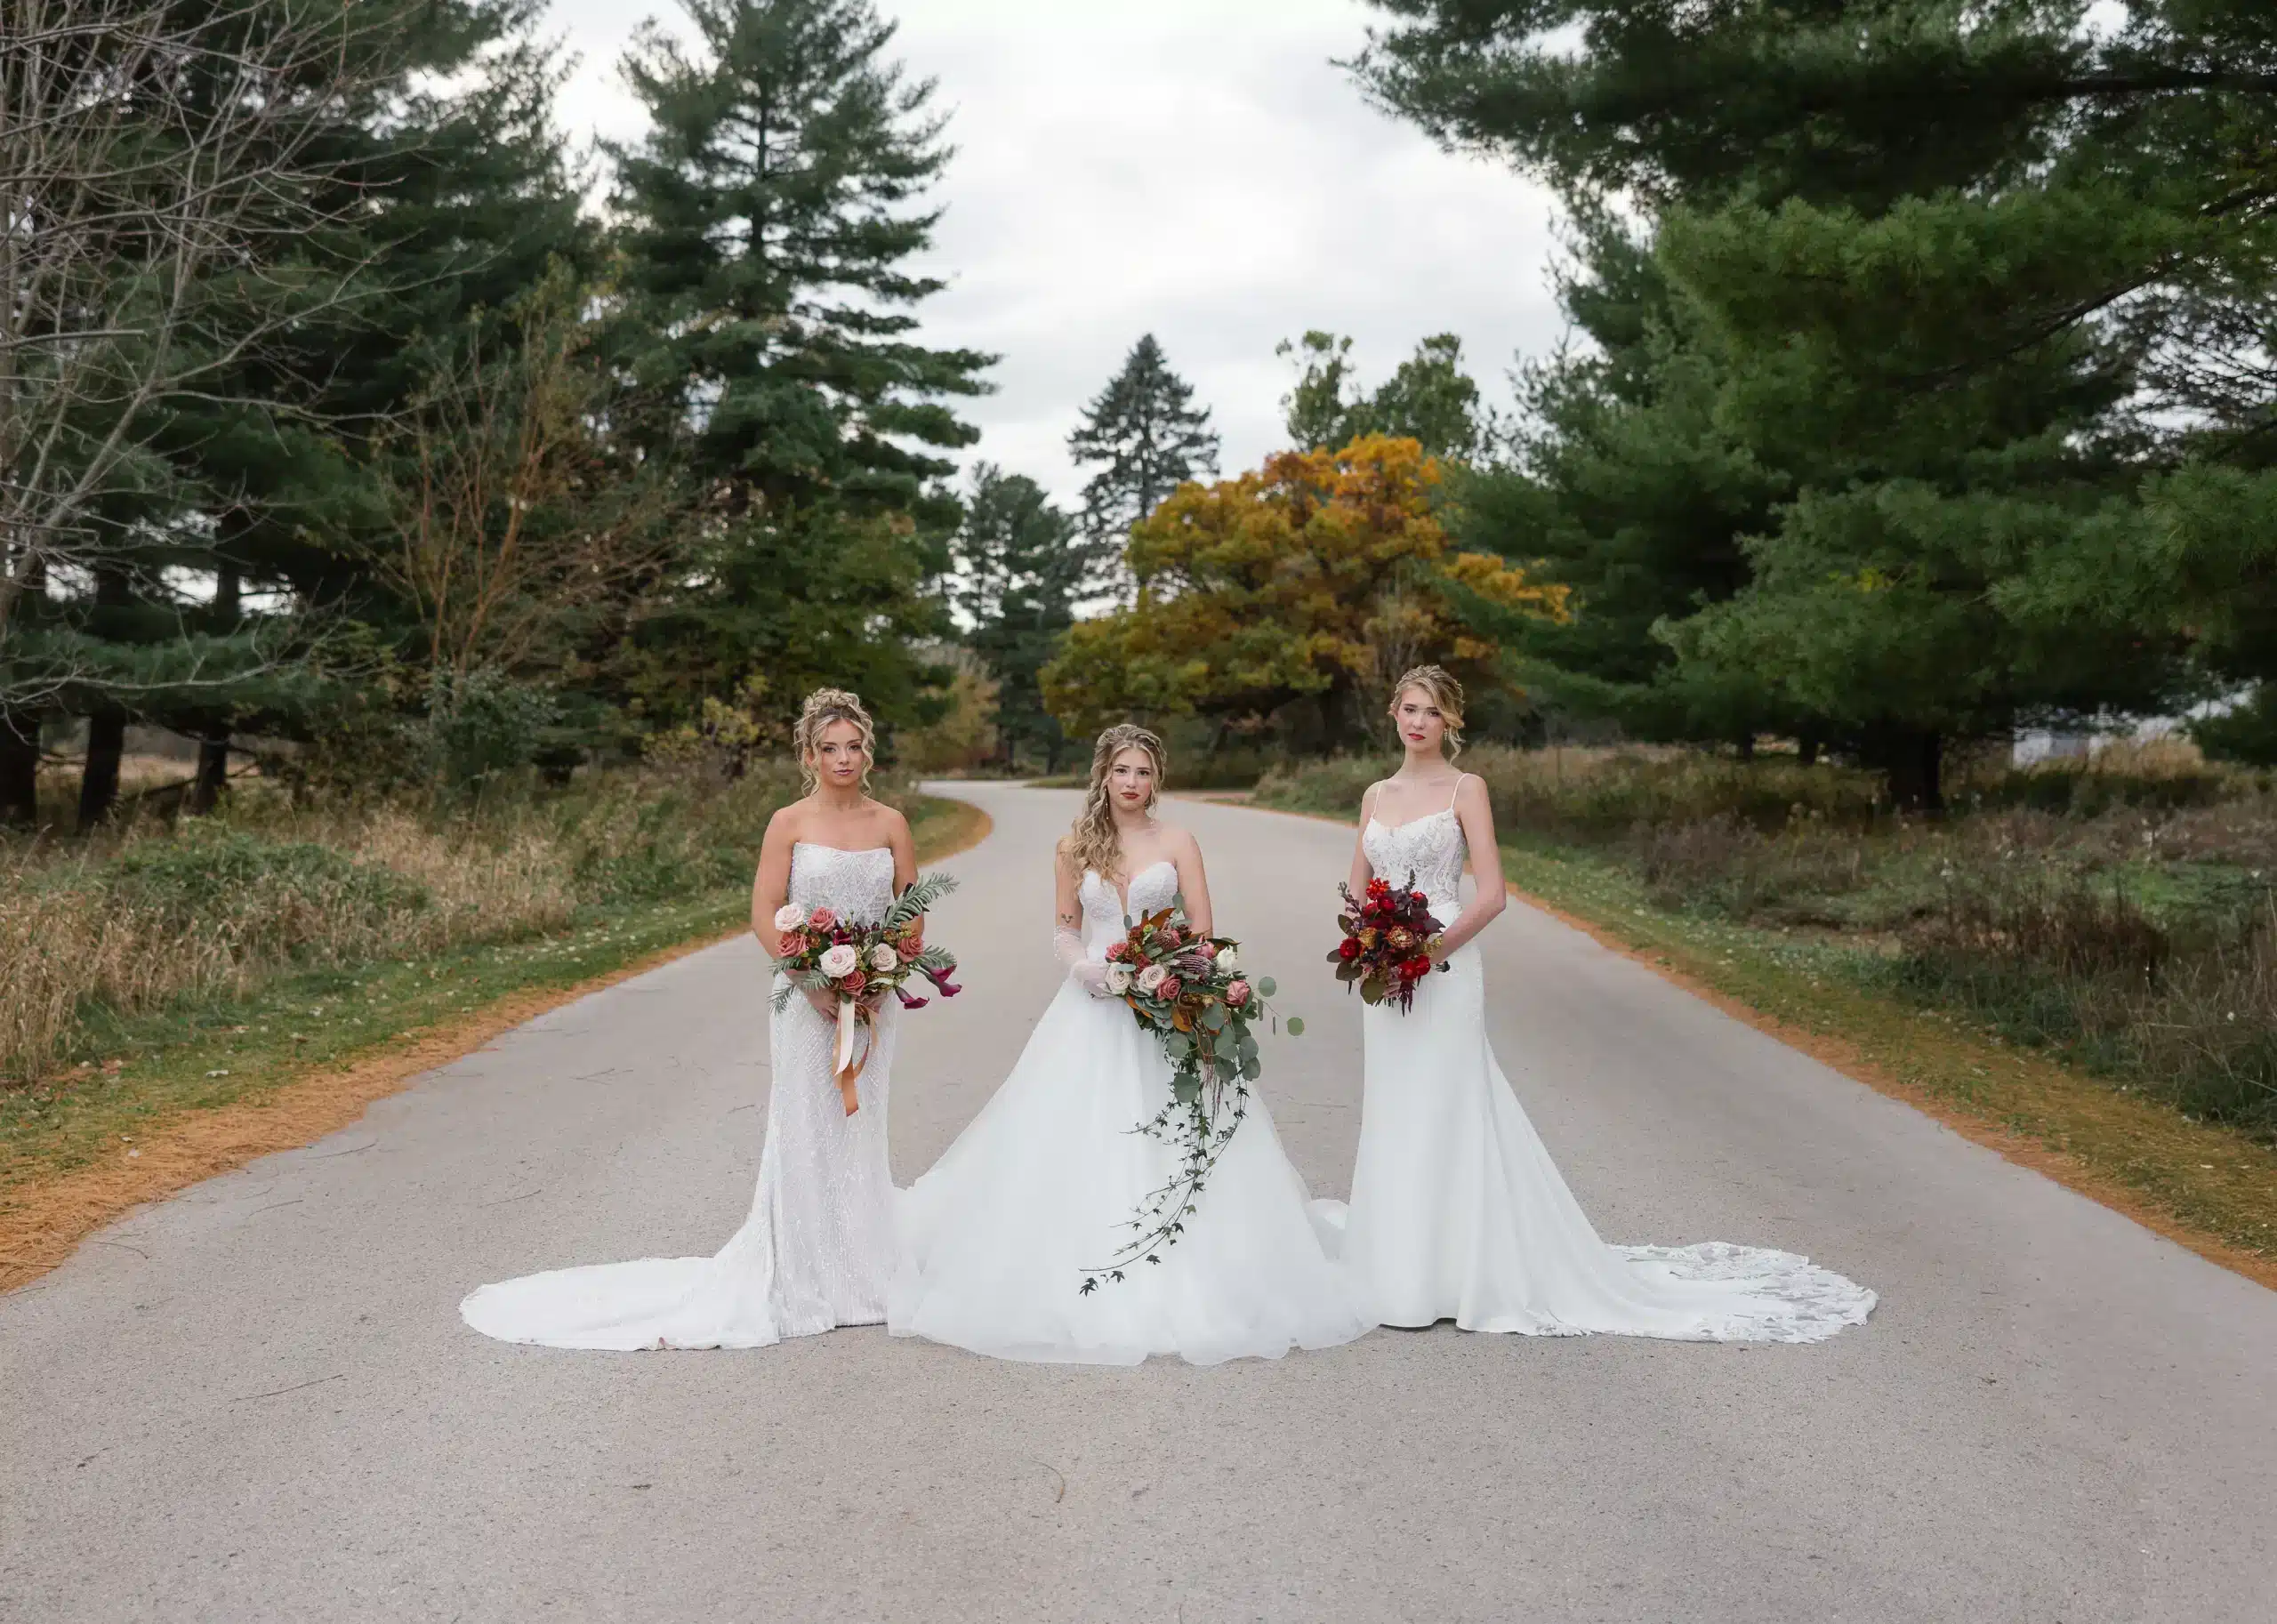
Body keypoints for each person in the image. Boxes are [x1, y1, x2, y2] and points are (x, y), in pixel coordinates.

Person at [1339, 665, 1876, 1341]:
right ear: (1393, 713)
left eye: (1433, 712)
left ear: (1451, 723)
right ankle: (1399, 1272)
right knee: (1395, 1110)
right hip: (1386, 979)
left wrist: (1428, 953)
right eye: (1409, 709)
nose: (1419, 722)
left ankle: (1466, 1274)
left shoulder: (1466, 789)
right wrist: (1373, 952)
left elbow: (1492, 894)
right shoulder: (1375, 795)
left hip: (1444, 967)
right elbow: (1358, 894)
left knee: (1450, 1106)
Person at [889, 723, 1367, 1365]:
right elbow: (1065, 926)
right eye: (1122, 771)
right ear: (1103, 776)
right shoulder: (1074, 846)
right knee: (1075, 1131)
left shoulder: (1177, 841)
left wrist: (1172, 971)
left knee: (1172, 1125)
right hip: (1090, 1007)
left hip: (1164, 1001)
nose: (1132, 784)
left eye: (1143, 772)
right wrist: (1083, 967)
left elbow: (1202, 926)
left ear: (1157, 779)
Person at [460, 688, 916, 1350]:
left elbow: (911, 911)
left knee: (861, 1124)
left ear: (867, 751)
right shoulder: (787, 822)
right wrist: (810, 979)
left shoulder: (892, 823)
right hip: (805, 999)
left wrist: (881, 977)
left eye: (853, 747)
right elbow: (764, 911)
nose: (843, 759)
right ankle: (803, 1273)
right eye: (829, 748)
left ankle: (864, 1272)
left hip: (874, 1001)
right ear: (809, 755)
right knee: (806, 1124)